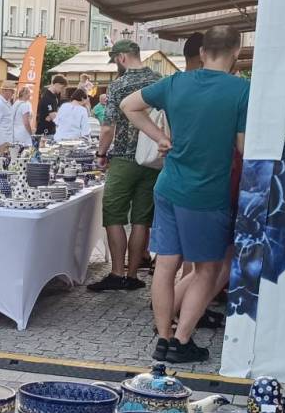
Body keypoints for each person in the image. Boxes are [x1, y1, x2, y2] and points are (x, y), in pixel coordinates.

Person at [121, 25, 250, 365]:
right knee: (208, 270)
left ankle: (163, 339)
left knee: (166, 265)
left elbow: (129, 105)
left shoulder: (175, 82)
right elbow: (243, 147)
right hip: (206, 192)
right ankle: (181, 341)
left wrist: (160, 137)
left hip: (168, 186)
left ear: (203, 52)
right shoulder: (242, 91)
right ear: (237, 51)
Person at [89, 40, 162, 291]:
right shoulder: (159, 81)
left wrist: (101, 153)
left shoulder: (119, 85)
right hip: (153, 158)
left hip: (124, 157)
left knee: (113, 213)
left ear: (121, 58)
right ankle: (132, 275)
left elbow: (108, 127)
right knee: (142, 218)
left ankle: (117, 273)